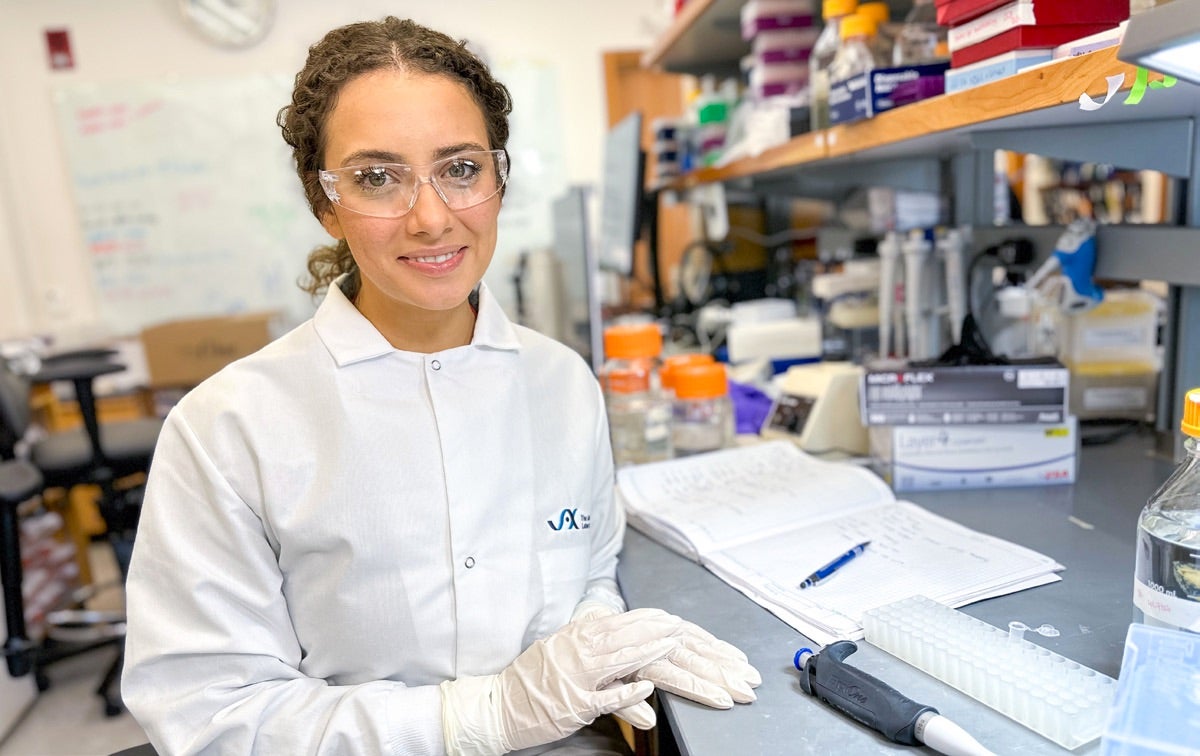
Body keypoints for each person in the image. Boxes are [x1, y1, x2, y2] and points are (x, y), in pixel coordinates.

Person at [122, 16, 759, 755]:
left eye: (459, 168)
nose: (431, 218)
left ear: (497, 177)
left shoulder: (562, 383)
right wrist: (479, 719)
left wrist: (598, 641)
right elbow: (209, 718)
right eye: (376, 178)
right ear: (323, 200)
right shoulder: (227, 428)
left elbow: (586, 572)